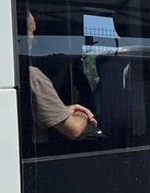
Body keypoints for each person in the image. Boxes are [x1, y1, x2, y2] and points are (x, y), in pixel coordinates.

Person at [23, 10, 99, 142]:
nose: (34, 41)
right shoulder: (32, 75)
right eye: (31, 32)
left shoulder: (10, 71)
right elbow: (74, 129)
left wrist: (63, 111)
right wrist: (82, 112)